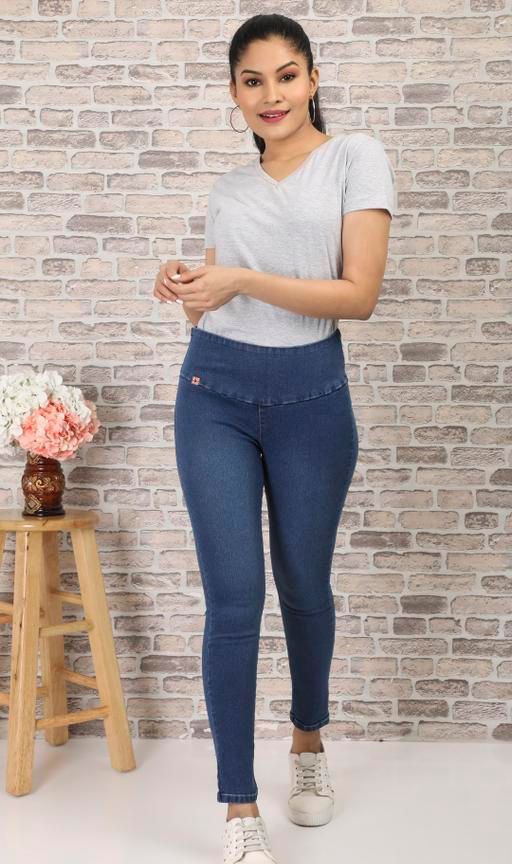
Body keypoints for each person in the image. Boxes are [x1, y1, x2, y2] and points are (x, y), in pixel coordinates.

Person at [153, 13, 394, 863]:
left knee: (304, 587)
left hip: (312, 401)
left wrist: (243, 278)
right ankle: (238, 806)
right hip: (213, 393)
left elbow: (358, 295)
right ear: (234, 93)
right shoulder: (229, 188)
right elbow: (212, 300)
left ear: (313, 78)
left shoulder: (354, 157)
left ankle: (308, 742)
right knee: (233, 600)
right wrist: (185, 284)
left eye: (286, 75)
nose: (272, 94)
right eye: (252, 81)